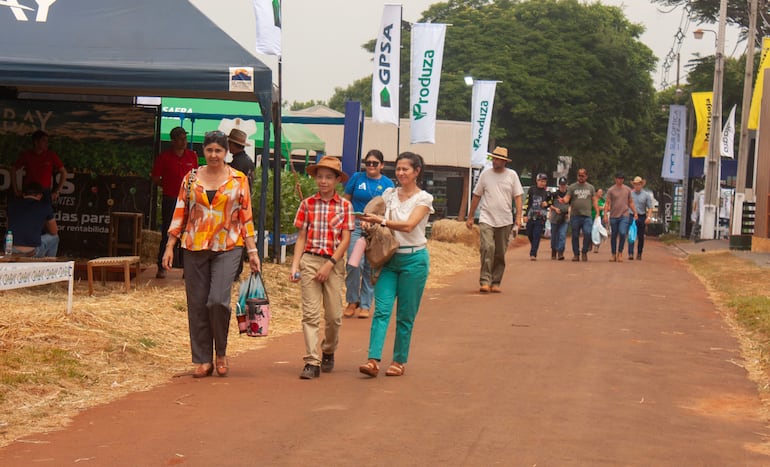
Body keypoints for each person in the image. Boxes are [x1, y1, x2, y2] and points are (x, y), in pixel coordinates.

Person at [162, 131, 260, 379]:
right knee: (196, 303)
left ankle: (221, 353)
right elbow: (180, 211)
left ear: (226, 152)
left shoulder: (238, 179)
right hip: (194, 244)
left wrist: (253, 251)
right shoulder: (192, 178)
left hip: (228, 244)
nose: (214, 154)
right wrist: (170, 245)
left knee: (217, 300)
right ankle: (203, 359)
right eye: (210, 150)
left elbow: (246, 217)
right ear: (203, 152)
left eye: (219, 150)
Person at [358, 152, 434, 378]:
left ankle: (399, 360)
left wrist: (379, 221)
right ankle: (373, 360)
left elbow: (409, 226)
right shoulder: (388, 194)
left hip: (414, 260)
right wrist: (369, 225)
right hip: (388, 259)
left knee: (405, 315)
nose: (400, 173)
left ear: (417, 171)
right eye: (398, 169)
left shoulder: (424, 199)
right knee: (381, 310)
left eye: (406, 169)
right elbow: (376, 215)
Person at [290, 156, 354, 380]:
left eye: (329, 177)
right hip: (310, 259)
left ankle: (328, 349)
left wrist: (330, 264)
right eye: (320, 176)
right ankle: (311, 360)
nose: (324, 181)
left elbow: (345, 240)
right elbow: (301, 237)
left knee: (335, 316)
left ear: (337, 180)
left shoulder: (345, 206)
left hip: (333, 263)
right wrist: (295, 265)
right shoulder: (307, 204)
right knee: (310, 314)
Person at [342, 149, 395, 319]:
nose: (371, 166)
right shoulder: (357, 178)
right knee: (353, 262)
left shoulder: (387, 184)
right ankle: (352, 300)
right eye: (368, 163)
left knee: (370, 266)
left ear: (382, 165)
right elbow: (346, 199)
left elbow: (389, 208)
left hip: (375, 228)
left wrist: (380, 224)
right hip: (356, 225)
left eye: (375, 163)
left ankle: (365, 304)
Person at [465, 146, 523, 292]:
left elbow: (518, 196)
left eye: (499, 159)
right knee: (487, 247)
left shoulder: (512, 175)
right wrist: (470, 216)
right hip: (486, 217)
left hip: (505, 219)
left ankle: (496, 281)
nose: (496, 161)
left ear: (504, 162)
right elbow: (477, 195)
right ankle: (485, 280)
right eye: (494, 158)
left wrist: (518, 217)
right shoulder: (485, 175)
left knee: (500, 251)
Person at [151, 126, 199, 279]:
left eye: (185, 138)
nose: (184, 141)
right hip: (170, 199)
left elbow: (196, 176)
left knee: (188, 233)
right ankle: (161, 267)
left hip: (189, 200)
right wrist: (168, 186)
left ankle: (187, 268)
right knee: (168, 232)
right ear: (173, 141)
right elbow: (156, 178)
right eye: (181, 138)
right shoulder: (164, 157)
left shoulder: (192, 156)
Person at [227, 128, 255, 280]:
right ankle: (237, 270)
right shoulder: (248, 162)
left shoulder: (236, 164)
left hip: (235, 204)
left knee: (234, 238)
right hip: (245, 202)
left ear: (232, 144)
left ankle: (235, 270)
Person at [11, 130, 68, 205]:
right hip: (29, 192)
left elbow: (64, 172)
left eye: (47, 141)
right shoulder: (26, 155)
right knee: (28, 215)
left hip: (45, 192)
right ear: (36, 142)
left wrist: (57, 191)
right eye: (44, 141)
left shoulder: (51, 155)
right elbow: (13, 170)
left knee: (45, 216)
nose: (47, 143)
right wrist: (16, 190)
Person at [6, 182, 59, 257]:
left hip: (11, 250)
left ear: (23, 194)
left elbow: (8, 228)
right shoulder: (45, 207)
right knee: (55, 237)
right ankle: (49, 265)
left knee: (8, 235)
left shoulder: (11, 205)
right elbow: (54, 231)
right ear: (40, 196)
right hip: (32, 252)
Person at [562, 168, 600, 262]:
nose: (581, 177)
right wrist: (563, 200)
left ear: (586, 176)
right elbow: (567, 198)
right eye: (579, 175)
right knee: (575, 235)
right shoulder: (572, 187)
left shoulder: (590, 187)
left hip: (587, 215)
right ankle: (576, 254)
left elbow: (594, 200)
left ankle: (584, 252)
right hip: (575, 215)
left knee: (587, 233)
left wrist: (597, 212)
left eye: (583, 176)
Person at [603, 172, 637, 263]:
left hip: (624, 214)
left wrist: (635, 212)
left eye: (622, 178)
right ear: (615, 179)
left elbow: (630, 202)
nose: (620, 180)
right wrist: (605, 214)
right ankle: (613, 253)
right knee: (614, 234)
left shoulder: (627, 189)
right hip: (614, 215)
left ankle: (620, 252)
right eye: (618, 178)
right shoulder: (611, 190)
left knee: (622, 233)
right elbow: (607, 203)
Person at [523, 173, 552, 260]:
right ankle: (534, 246)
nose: (542, 183)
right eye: (540, 181)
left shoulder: (547, 193)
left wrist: (547, 204)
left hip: (541, 217)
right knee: (529, 233)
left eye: (544, 181)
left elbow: (551, 202)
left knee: (536, 235)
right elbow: (527, 202)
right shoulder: (532, 190)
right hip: (531, 215)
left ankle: (533, 253)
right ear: (537, 181)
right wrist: (525, 214)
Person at [628, 176, 654, 261]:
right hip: (631, 215)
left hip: (642, 216)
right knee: (631, 234)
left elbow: (650, 207)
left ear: (641, 185)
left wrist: (649, 217)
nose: (637, 186)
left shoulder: (646, 195)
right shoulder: (630, 194)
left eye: (638, 184)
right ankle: (630, 253)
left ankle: (639, 253)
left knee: (640, 236)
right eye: (635, 184)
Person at [549, 176, 569, 260]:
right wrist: (555, 209)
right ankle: (554, 251)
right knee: (554, 236)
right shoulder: (554, 194)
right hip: (555, 217)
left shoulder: (568, 195)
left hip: (564, 218)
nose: (563, 186)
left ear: (566, 185)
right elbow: (549, 204)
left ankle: (560, 252)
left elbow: (571, 205)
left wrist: (569, 212)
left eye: (564, 185)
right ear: (559, 185)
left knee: (562, 235)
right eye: (561, 185)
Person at [592, 188, 606, 253]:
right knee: (589, 232)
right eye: (599, 192)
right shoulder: (592, 199)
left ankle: (596, 247)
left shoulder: (603, 200)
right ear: (596, 193)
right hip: (591, 217)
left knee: (598, 232)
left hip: (599, 218)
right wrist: (600, 207)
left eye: (602, 192)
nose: (601, 193)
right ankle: (589, 245)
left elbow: (606, 208)